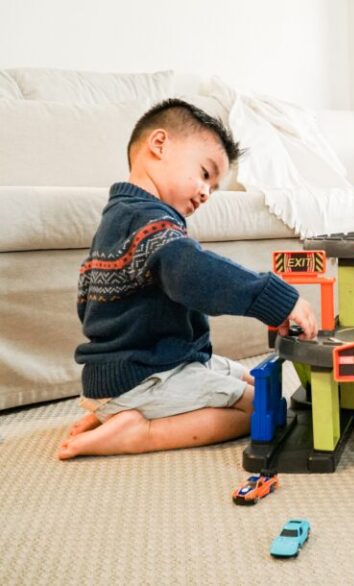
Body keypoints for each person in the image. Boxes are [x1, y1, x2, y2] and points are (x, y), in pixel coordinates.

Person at [58, 98, 318, 460]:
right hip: (143, 374)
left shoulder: (121, 216)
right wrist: (275, 298)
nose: (206, 193)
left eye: (213, 187)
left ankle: (112, 411)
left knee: (246, 377)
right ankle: (140, 430)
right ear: (159, 144)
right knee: (261, 409)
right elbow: (196, 274)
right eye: (205, 173)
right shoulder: (151, 225)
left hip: (130, 370)